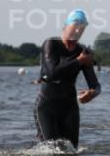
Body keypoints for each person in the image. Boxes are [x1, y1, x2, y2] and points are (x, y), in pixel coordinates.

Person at [34, 10, 101, 147]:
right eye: (75, 25)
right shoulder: (51, 44)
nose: (78, 30)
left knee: (71, 152)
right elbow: (53, 73)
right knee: (52, 150)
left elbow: (95, 85)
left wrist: (93, 93)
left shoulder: (83, 51)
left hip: (69, 108)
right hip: (47, 105)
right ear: (65, 26)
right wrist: (79, 61)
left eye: (82, 28)